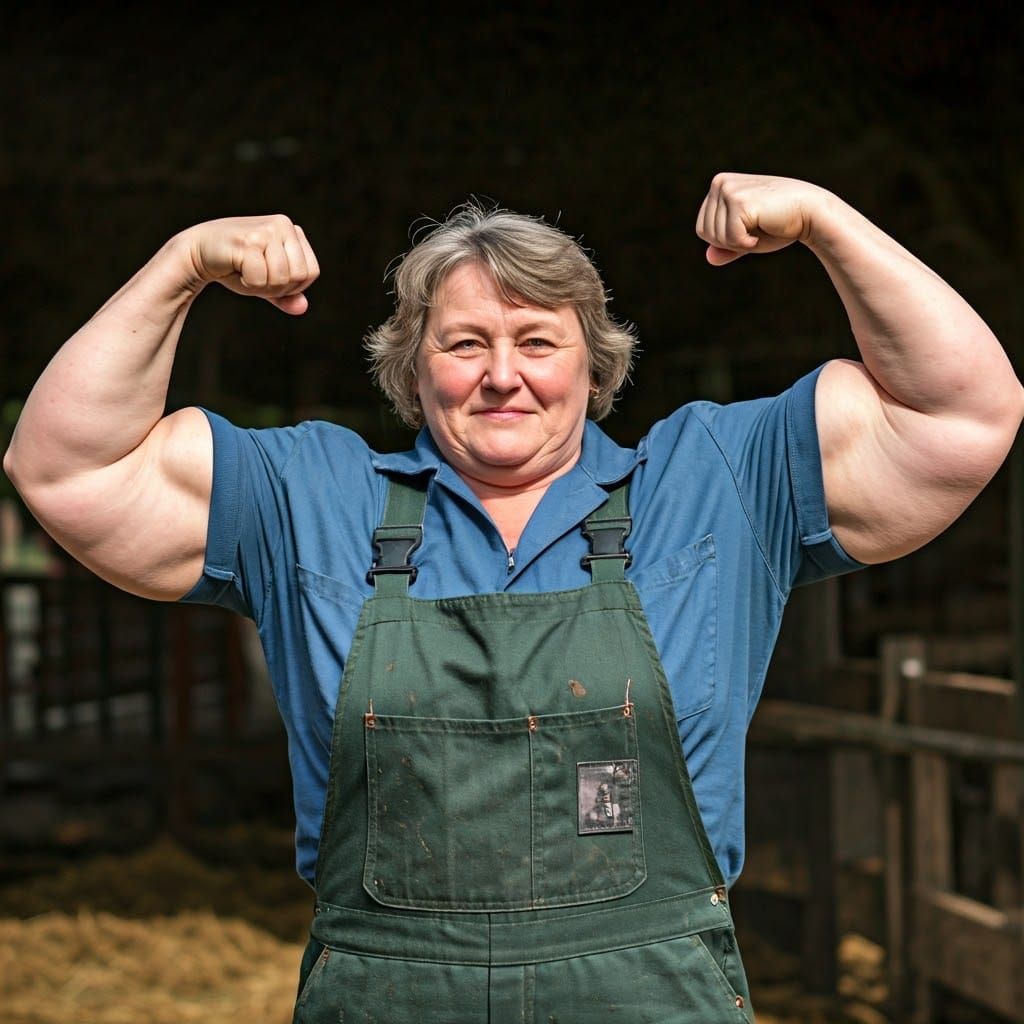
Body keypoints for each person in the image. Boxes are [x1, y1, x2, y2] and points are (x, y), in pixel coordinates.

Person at [5, 173, 1021, 1022]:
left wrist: (823, 220)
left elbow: (962, 410)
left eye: (538, 341)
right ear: (411, 365)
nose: (503, 376)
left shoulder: (713, 477)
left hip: (648, 994)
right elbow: (67, 469)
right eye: (462, 344)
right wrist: (181, 266)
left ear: (594, 358)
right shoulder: (308, 497)